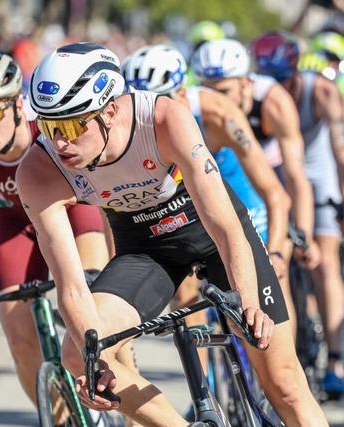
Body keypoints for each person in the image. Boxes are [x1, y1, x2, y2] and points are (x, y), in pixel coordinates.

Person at [17, 42, 328, 427]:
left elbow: (226, 227)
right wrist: (95, 361)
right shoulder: (38, 170)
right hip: (146, 248)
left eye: (70, 125)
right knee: (78, 353)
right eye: (49, 127)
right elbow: (71, 289)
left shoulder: (162, 119)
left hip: (210, 231)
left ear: (110, 110)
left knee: (283, 383)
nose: (60, 143)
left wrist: (247, 302)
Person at [0, 50, 110, 408]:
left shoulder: (49, 125)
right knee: (19, 338)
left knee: (101, 314)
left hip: (74, 210)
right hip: (14, 221)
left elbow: (106, 186)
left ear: (18, 103)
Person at [121, 44, 294, 378]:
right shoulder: (133, 131)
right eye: (140, 105)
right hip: (188, 209)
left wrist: (278, 250)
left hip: (238, 198)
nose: (150, 115)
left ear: (182, 94)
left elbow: (274, 193)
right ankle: (204, 388)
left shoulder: (217, 113)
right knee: (185, 295)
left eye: (162, 100)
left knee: (269, 288)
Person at [252, 30, 344, 399]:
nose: (277, 89)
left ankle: (336, 361)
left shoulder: (321, 91)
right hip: (278, 173)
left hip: (317, 171)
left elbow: (343, 147)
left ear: (295, 72)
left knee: (325, 263)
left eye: (284, 81)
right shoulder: (257, 95)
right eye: (270, 81)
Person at [190, 39, 321, 270]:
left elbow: (295, 176)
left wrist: (304, 233)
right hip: (235, 170)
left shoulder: (274, 102)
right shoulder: (205, 110)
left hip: (275, 167)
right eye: (208, 90)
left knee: (278, 266)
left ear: (245, 82)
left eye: (223, 91)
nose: (215, 100)